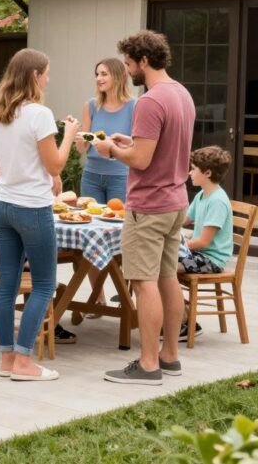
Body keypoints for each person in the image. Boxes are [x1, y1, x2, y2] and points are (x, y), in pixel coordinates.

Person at [94, 30, 195, 385]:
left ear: (144, 61)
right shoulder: (181, 93)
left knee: (143, 283)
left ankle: (148, 364)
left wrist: (112, 150)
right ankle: (170, 356)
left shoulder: (151, 101)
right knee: (168, 279)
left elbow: (140, 159)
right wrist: (130, 142)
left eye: (128, 64)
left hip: (149, 205)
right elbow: (156, 146)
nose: (127, 70)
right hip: (175, 201)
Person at [0, 48, 80, 380]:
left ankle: (7, 358)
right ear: (35, 76)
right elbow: (55, 164)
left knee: (7, 283)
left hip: (3, 205)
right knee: (44, 284)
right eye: (46, 73)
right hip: (32, 208)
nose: (48, 78)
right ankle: (25, 362)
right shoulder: (40, 114)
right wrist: (67, 135)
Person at [0, 169, 78, 344]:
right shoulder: (15, 202)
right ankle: (44, 327)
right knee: (45, 282)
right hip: (4, 263)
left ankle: (9, 343)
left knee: (17, 281)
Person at [75, 58, 136, 315]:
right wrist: (79, 138)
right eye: (97, 74)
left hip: (121, 176)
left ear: (118, 76)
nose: (99, 79)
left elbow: (136, 146)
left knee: (123, 239)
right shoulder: (90, 106)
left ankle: (126, 295)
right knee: (90, 237)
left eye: (104, 74)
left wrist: (114, 145)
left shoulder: (135, 106)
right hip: (92, 175)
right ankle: (96, 299)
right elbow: (82, 148)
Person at [174, 146, 234, 342]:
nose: (189, 172)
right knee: (157, 261)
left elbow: (203, 242)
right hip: (198, 255)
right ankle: (180, 311)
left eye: (193, 169)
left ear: (207, 173)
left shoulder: (217, 201)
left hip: (211, 260)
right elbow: (184, 220)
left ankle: (185, 322)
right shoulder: (202, 195)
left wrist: (177, 244)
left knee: (164, 267)